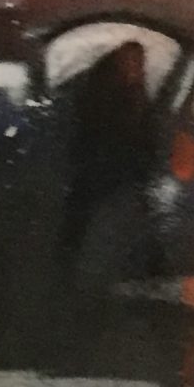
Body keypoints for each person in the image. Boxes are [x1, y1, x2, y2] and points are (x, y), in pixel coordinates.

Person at [58, 39, 155, 263]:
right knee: (81, 211)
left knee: (140, 213)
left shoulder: (135, 92)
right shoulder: (101, 91)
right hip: (99, 161)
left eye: (138, 62)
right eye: (131, 61)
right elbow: (90, 127)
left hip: (121, 163)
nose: (136, 67)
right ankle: (67, 258)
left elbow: (144, 131)